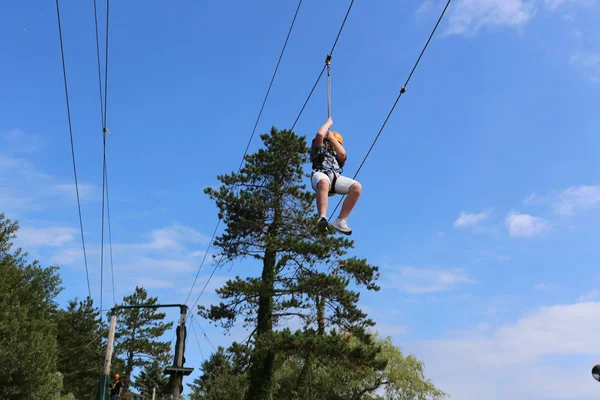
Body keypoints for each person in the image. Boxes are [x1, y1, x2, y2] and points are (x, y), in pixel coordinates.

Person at [310, 117, 362, 235]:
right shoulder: (318, 150)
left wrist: (332, 139)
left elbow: (342, 153)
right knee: (323, 181)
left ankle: (341, 220)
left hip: (335, 179)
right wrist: (328, 124)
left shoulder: (338, 155)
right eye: (327, 141)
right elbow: (319, 135)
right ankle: (322, 217)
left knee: (356, 187)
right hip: (320, 175)